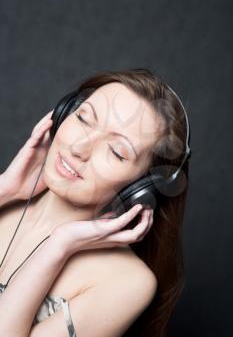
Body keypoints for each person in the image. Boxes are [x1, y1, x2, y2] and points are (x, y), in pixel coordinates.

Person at [0, 68, 190, 337]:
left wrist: (58, 246)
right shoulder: (4, 202)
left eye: (116, 152)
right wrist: (4, 190)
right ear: (64, 112)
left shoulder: (126, 283)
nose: (79, 147)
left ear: (141, 188)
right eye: (83, 118)